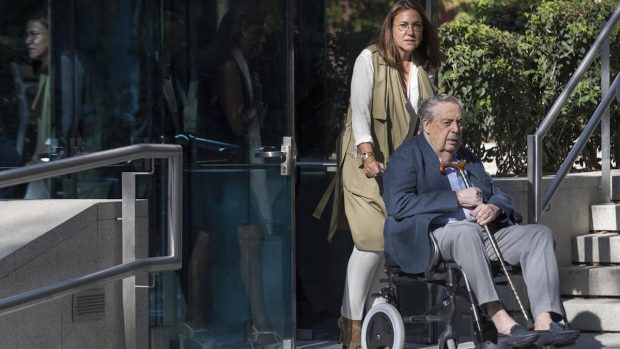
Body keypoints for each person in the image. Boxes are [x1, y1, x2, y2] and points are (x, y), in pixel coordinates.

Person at [382, 94, 581, 348]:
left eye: (460, 123)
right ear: (427, 124)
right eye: (447, 122)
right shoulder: (407, 155)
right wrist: (454, 199)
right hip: (433, 235)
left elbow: (496, 192)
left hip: (482, 232)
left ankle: (544, 321)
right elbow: (397, 204)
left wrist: (495, 207)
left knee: (539, 235)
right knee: (465, 231)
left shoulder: (467, 156)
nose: (455, 129)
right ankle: (500, 319)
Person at [317, 1, 444, 348]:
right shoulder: (368, 59)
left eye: (416, 26)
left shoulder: (419, 69)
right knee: (371, 239)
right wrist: (368, 155)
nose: (410, 32)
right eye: (403, 25)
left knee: (385, 241)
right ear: (390, 28)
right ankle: (352, 324)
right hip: (363, 161)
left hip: (397, 166)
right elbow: (359, 113)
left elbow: (427, 122)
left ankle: (371, 317)